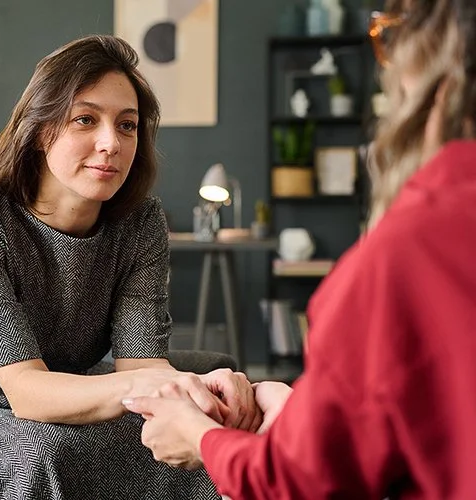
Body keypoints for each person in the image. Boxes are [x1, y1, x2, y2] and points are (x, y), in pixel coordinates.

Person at [0, 34, 261, 500]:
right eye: (85, 119)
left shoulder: (141, 223)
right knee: (47, 450)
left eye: (127, 125)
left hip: (72, 398)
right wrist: (163, 387)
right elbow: (27, 392)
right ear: (40, 130)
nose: (110, 143)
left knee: (199, 435)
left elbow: (141, 363)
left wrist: (196, 392)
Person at [123, 0, 476, 498]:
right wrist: (295, 405)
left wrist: (200, 437)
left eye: (129, 125)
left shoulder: (403, 256)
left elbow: (302, 479)